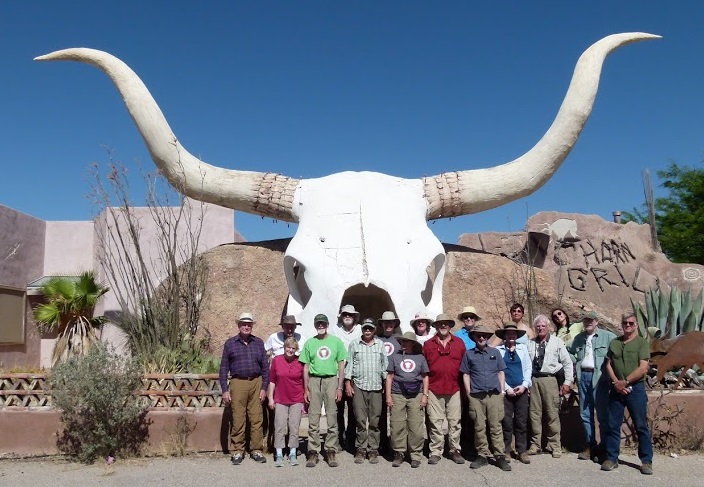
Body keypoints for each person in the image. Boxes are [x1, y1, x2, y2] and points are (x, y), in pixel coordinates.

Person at [601, 312, 653, 475]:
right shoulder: (615, 343)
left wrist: (626, 382)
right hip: (616, 389)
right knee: (612, 424)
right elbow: (608, 364)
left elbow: (643, 367)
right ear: (622, 325)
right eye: (625, 323)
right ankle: (612, 458)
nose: (628, 326)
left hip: (635, 389)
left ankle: (646, 461)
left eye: (631, 323)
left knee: (641, 425)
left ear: (636, 325)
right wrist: (617, 382)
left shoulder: (642, 343)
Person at [219, 312, 270, 465]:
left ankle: (256, 450)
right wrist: (224, 390)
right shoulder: (230, 343)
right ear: (239, 325)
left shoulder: (258, 343)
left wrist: (263, 388)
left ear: (252, 326)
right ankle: (237, 451)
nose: (246, 326)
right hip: (238, 382)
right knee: (238, 418)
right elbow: (223, 368)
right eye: (243, 324)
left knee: (256, 418)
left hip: (256, 382)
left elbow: (265, 368)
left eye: (249, 324)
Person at [459, 323, 510, 471]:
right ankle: (482, 455)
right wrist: (468, 393)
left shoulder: (495, 352)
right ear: (474, 337)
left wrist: (502, 392)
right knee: (479, 426)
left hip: (494, 394)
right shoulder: (469, 354)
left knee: (495, 426)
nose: (481, 337)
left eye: (484, 335)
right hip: (476, 395)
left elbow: (501, 372)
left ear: (488, 337)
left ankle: (500, 456)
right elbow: (466, 374)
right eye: (478, 335)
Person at [299, 313, 348, 468]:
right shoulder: (310, 343)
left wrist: (340, 386)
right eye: (318, 323)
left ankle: (330, 450)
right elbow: (305, 367)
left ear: (327, 325)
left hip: (331, 380)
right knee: (313, 417)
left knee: (332, 416)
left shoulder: (336, 342)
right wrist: (306, 388)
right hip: (314, 380)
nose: (321, 326)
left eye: (323, 323)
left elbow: (341, 365)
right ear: (315, 325)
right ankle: (313, 451)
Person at [567, 311, 616, 463]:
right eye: (586, 320)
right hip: (583, 377)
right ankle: (590, 445)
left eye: (591, 320)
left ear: (596, 321)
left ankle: (604, 447)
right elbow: (571, 353)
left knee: (602, 414)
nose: (588, 323)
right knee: (585, 413)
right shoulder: (579, 338)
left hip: (600, 378)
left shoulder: (608, 337)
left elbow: (617, 354)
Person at [526, 314, 573, 458]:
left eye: (543, 326)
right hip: (534, 380)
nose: (540, 328)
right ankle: (535, 445)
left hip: (550, 379)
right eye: (538, 326)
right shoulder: (530, 343)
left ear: (549, 327)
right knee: (534, 414)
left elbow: (567, 363)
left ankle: (554, 445)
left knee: (552, 413)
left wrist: (567, 382)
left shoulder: (557, 342)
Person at [422, 313, 466, 465]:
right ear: (435, 326)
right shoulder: (428, 345)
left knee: (455, 421)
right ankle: (435, 450)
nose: (443, 326)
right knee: (435, 421)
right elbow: (424, 368)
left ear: (450, 325)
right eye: (440, 323)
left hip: (454, 387)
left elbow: (465, 367)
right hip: (434, 387)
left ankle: (455, 449)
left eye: (446, 323)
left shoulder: (459, 343)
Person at [344, 318, 388, 464]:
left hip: (376, 387)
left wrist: (385, 385)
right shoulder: (354, 344)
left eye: (370, 328)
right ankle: (361, 448)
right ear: (362, 329)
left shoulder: (380, 344)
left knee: (375, 420)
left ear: (374, 330)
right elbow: (349, 365)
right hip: (359, 386)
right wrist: (348, 384)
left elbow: (384, 366)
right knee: (360, 420)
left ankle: (373, 449)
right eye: (365, 328)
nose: (367, 331)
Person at [386, 331, 429, 468]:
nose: (403, 344)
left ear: (412, 343)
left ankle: (416, 454)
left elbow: (425, 377)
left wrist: (425, 395)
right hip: (397, 393)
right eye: (402, 341)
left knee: (415, 425)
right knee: (397, 424)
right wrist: (388, 396)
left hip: (416, 394)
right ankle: (399, 452)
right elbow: (390, 377)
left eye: (406, 341)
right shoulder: (395, 356)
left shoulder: (420, 357)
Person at [494, 323, 532, 465]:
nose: (511, 336)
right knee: (506, 421)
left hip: (521, 390)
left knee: (521, 421)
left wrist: (524, 385)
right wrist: (507, 388)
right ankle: (506, 450)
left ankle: (522, 450)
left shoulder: (523, 349)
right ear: (504, 336)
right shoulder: (498, 351)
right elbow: (498, 371)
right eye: (508, 334)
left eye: (513, 334)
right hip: (506, 391)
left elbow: (528, 367)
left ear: (517, 336)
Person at [267, 337, 305, 467]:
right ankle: (279, 453)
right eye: (288, 347)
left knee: (294, 427)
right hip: (280, 399)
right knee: (279, 426)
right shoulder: (276, 360)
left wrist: (305, 402)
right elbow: (272, 380)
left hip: (296, 399)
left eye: (293, 348)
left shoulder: (300, 362)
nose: (290, 350)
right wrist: (270, 398)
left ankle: (293, 452)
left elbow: (305, 382)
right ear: (284, 348)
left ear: (296, 350)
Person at [332, 304, 362, 451]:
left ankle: (351, 440)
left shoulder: (361, 330)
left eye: (350, 314)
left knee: (353, 409)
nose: (347, 317)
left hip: (355, 375)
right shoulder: (335, 330)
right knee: (337, 408)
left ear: (355, 316)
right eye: (345, 314)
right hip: (338, 374)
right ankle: (338, 439)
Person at [376, 310, 402, 453]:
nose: (388, 325)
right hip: (379, 379)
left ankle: (395, 443)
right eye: (386, 323)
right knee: (380, 413)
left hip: (395, 379)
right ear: (382, 324)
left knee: (395, 413)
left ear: (394, 324)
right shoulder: (376, 338)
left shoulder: (399, 339)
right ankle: (381, 443)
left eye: (391, 322)